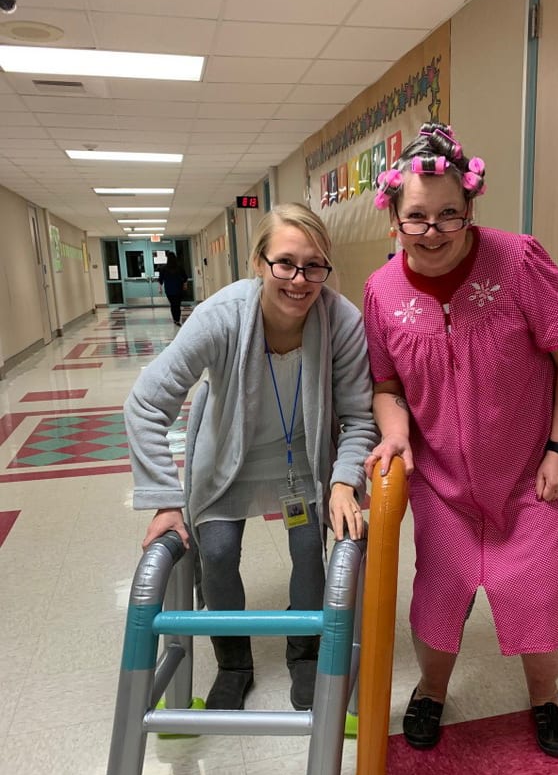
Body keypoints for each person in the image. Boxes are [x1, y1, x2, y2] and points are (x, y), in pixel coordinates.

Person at [364, 123, 558, 757]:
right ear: (394, 216)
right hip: (442, 483)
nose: (433, 230)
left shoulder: (519, 262)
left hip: (534, 474)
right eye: (417, 216)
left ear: (470, 207)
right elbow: (386, 384)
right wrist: (396, 436)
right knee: (437, 599)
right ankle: (431, 691)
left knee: (539, 594)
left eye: (449, 214)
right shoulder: (381, 292)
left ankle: (546, 696)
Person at [124, 203, 378, 712]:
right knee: (217, 553)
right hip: (227, 457)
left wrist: (345, 481)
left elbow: (359, 416)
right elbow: (146, 403)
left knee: (310, 550)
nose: (299, 280)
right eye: (285, 263)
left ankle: (305, 653)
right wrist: (166, 501)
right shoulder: (220, 317)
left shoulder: (340, 320)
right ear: (259, 262)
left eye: (313, 266)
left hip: (302, 458)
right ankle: (234, 664)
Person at [157, 251, 188, 327]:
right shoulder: (179, 267)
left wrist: (160, 288)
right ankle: (177, 319)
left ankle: (175, 319)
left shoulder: (163, 268)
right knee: (177, 305)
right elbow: (185, 278)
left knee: (173, 305)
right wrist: (185, 286)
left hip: (169, 290)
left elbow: (160, 279)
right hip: (178, 289)